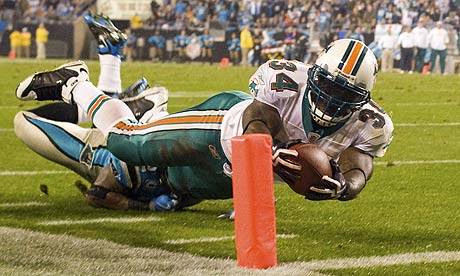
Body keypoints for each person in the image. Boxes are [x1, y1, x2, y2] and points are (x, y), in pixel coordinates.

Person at [16, 37, 394, 211]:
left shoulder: (371, 123)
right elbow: (255, 119)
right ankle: (76, 84)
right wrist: (273, 152)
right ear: (313, 75)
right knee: (125, 142)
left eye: (342, 95)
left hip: (232, 170)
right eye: (325, 86)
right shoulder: (286, 77)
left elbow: (361, 165)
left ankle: (148, 108)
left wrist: (346, 186)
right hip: (219, 128)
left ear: (362, 100)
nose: (329, 99)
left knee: (182, 191)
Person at [15, 13, 173, 212]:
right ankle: (97, 90)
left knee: (22, 120)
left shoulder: (187, 165)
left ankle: (106, 88)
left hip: (107, 143)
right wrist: (147, 205)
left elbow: (97, 194)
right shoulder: (154, 167)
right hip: (102, 146)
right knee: (22, 121)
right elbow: (98, 194)